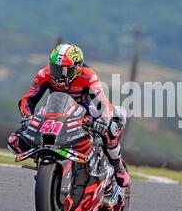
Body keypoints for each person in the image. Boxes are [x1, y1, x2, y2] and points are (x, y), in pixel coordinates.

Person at [7, 43, 130, 187]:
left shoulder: (88, 76)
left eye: (64, 70)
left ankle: (116, 163)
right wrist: (27, 117)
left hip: (83, 111)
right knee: (14, 141)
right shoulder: (44, 74)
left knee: (115, 121)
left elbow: (102, 102)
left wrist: (102, 119)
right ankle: (44, 162)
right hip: (54, 111)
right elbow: (28, 99)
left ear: (76, 68)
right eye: (55, 68)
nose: (58, 74)